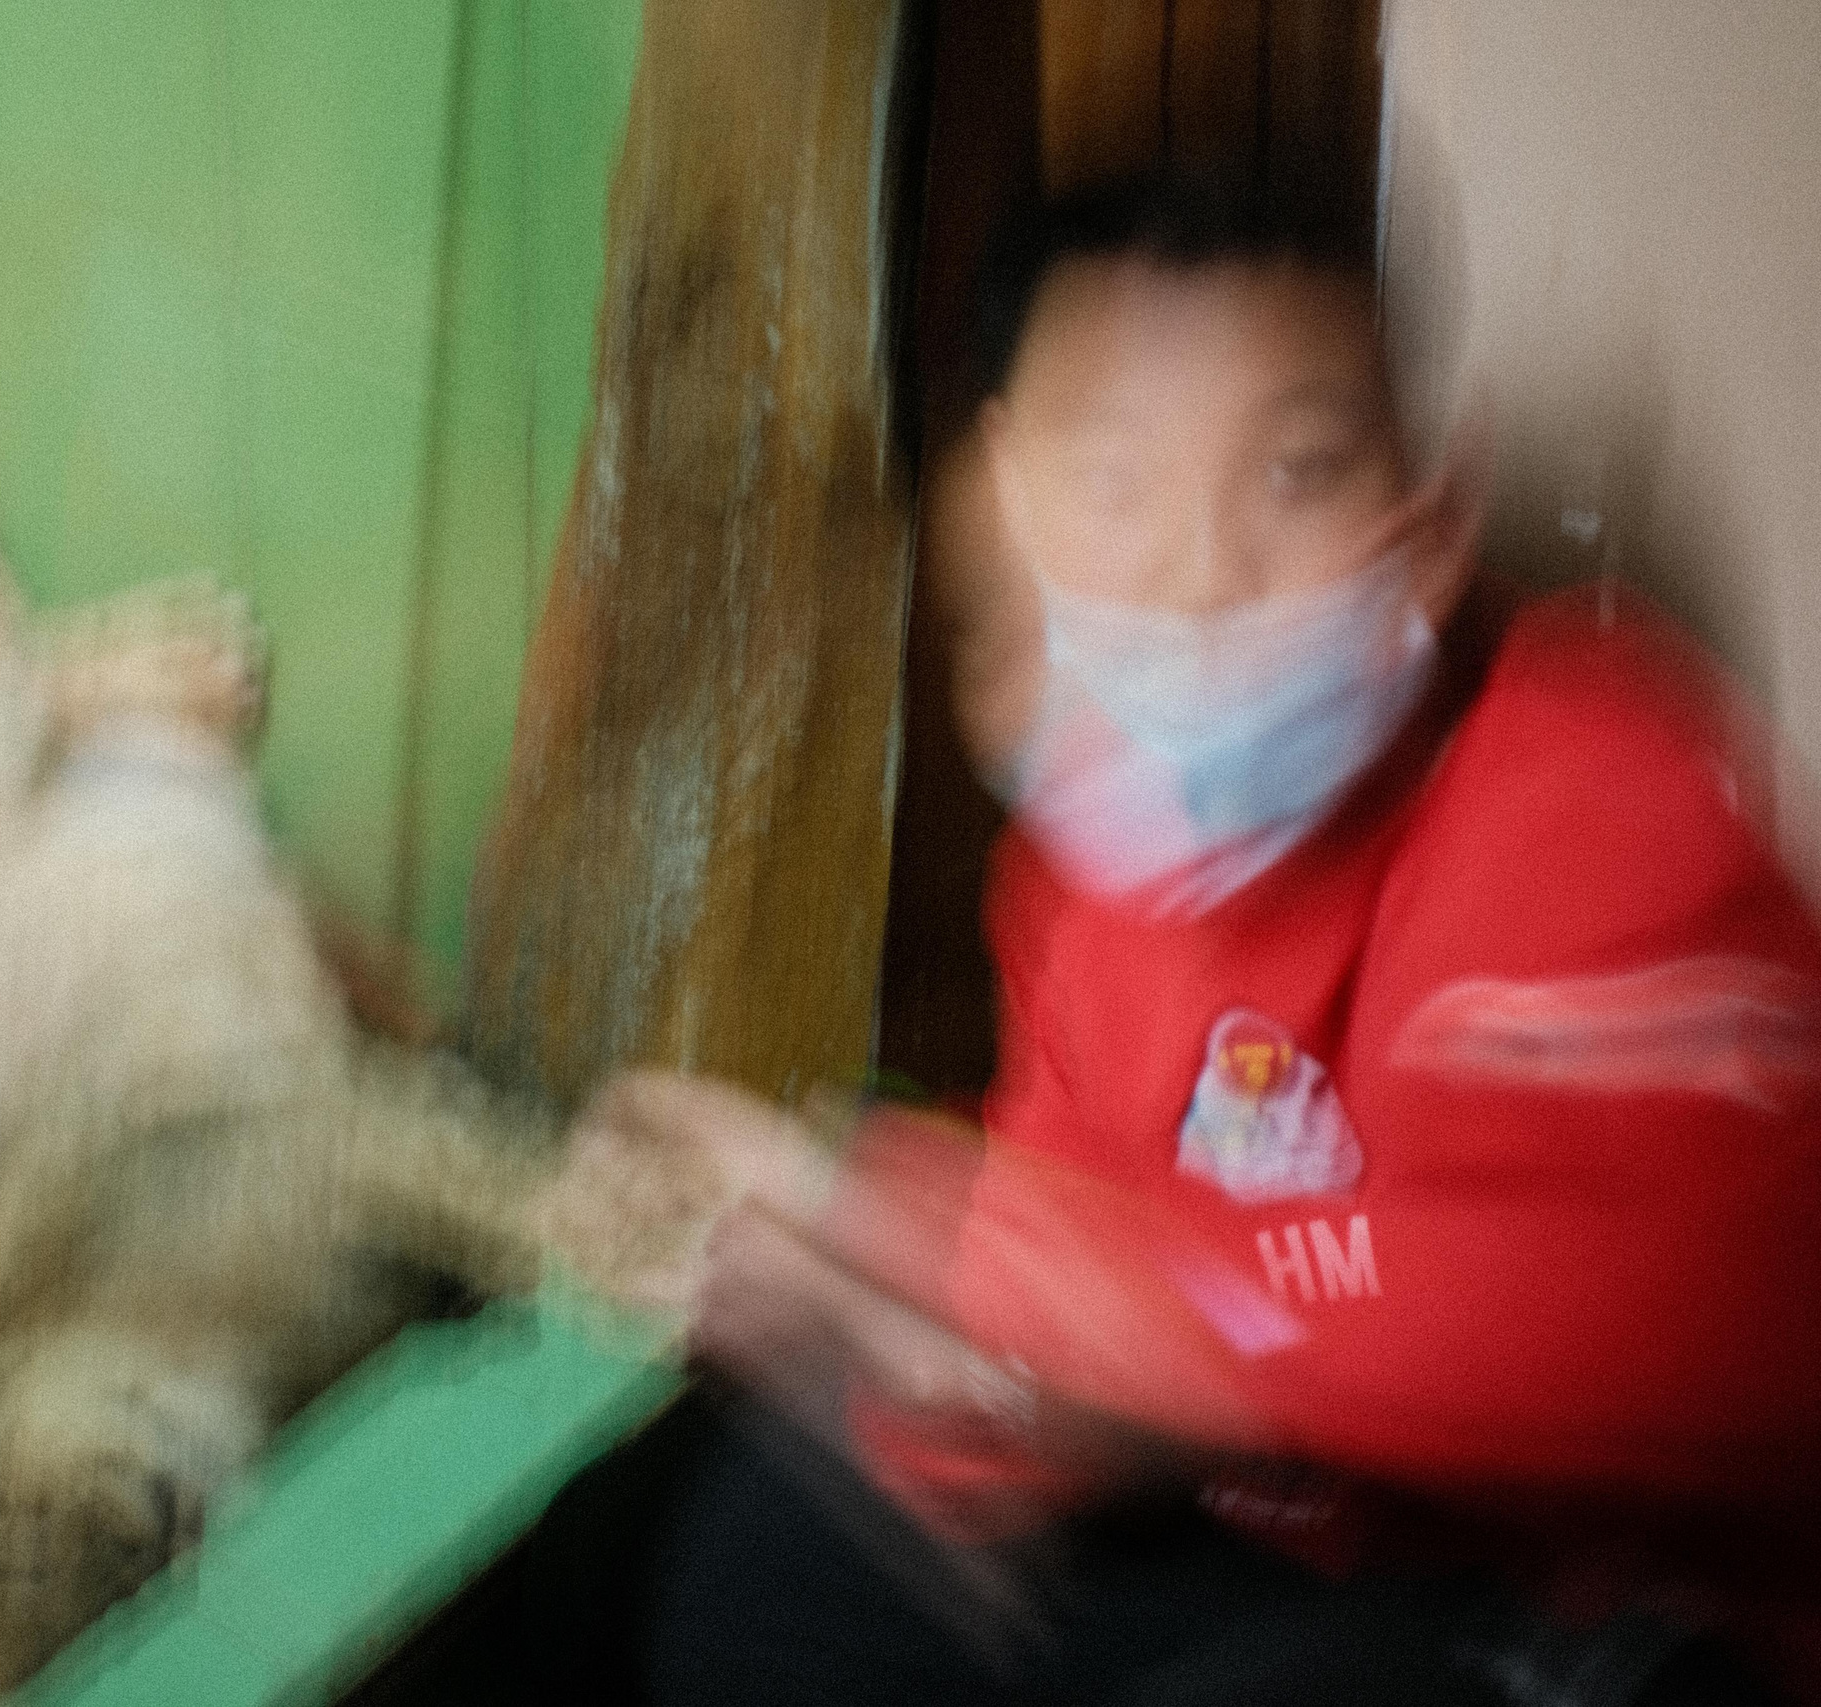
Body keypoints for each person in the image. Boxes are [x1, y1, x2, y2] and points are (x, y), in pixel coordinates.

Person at [505, 171, 1821, 1706]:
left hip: (1598, 1607)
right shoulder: (1088, 855)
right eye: (1115, 482)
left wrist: (1015, 1266)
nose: (1204, 576)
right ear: (1003, 493)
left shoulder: (1604, 784)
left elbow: (1691, 1314)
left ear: (1434, 514)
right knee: (776, 1558)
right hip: (1279, 1544)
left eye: (1300, 472)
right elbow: (1072, 1337)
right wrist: (876, 1323)